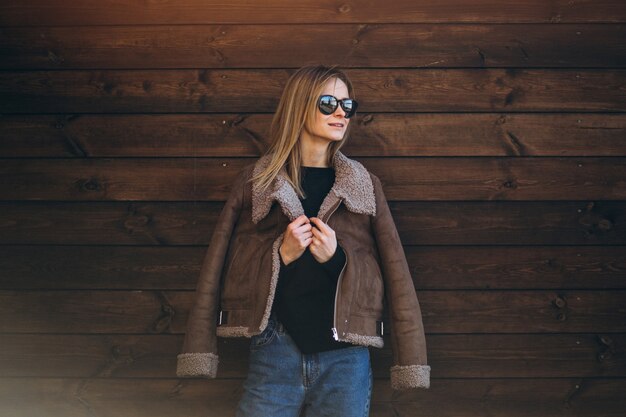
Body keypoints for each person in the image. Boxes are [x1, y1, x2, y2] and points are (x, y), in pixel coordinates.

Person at [176, 65, 430, 416]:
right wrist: (280, 254)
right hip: (274, 349)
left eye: (347, 104)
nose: (341, 112)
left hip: (346, 356)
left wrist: (336, 258)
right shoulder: (257, 183)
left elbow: (396, 274)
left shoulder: (363, 185)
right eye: (328, 102)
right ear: (300, 106)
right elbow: (219, 268)